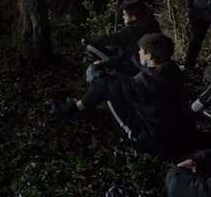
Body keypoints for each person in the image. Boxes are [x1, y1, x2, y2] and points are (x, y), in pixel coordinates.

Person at [54, 34, 193, 154]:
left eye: (141, 51)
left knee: (109, 91)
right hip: (178, 132)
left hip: (153, 140)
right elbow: (132, 59)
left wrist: (92, 69)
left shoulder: (148, 82)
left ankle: (78, 109)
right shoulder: (169, 69)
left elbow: (107, 85)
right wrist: (107, 63)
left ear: (149, 56)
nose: (139, 53)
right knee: (117, 78)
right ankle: (80, 106)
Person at [82, 0, 161, 76]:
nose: (123, 17)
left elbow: (108, 39)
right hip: (141, 62)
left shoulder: (134, 30)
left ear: (133, 17)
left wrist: (87, 38)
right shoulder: (151, 23)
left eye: (125, 15)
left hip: (133, 67)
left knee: (91, 46)